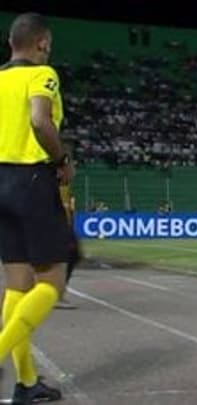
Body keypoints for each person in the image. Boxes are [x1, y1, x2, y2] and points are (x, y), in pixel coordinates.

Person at [0, 12, 72, 402]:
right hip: (31, 181)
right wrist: (61, 161)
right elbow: (41, 121)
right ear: (42, 43)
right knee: (51, 282)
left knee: (17, 285)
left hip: (0, 182)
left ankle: (26, 383)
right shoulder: (41, 75)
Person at [55, 181, 81, 310]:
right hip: (54, 222)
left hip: (64, 222)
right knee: (65, 256)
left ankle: (57, 293)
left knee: (72, 254)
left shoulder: (65, 187)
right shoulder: (48, 178)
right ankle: (56, 295)